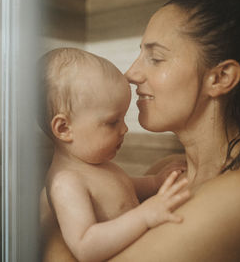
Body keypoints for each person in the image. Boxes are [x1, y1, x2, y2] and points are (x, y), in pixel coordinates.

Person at [42, 0, 240, 261]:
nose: (130, 73)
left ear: (220, 77)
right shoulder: (166, 173)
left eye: (155, 58)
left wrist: (50, 217)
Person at [39, 48, 191, 262]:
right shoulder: (66, 183)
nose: (124, 130)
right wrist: (144, 216)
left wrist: (155, 182)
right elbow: (85, 247)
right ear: (64, 128)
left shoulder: (96, 167)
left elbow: (124, 187)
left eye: (123, 119)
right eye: (112, 122)